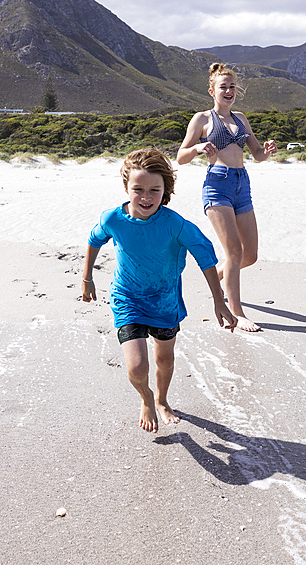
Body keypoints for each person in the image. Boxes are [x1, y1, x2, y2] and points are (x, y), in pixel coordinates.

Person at [82, 147, 237, 433]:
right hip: (127, 298)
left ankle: (162, 399)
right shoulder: (113, 219)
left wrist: (219, 300)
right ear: (127, 188)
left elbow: (205, 254)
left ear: (165, 189)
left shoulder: (174, 224)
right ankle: (146, 398)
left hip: (165, 303)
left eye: (155, 190)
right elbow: (94, 240)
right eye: (138, 189)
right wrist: (87, 277)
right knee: (137, 368)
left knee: (164, 360)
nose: (146, 197)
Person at [177, 63, 277, 332]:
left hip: (242, 184)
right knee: (233, 251)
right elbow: (180, 156)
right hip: (217, 185)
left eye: (232, 86)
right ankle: (236, 313)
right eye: (223, 87)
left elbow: (256, 153)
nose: (229, 90)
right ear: (212, 90)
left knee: (250, 255)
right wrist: (198, 147)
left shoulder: (242, 119)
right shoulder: (202, 119)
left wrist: (267, 151)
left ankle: (217, 278)